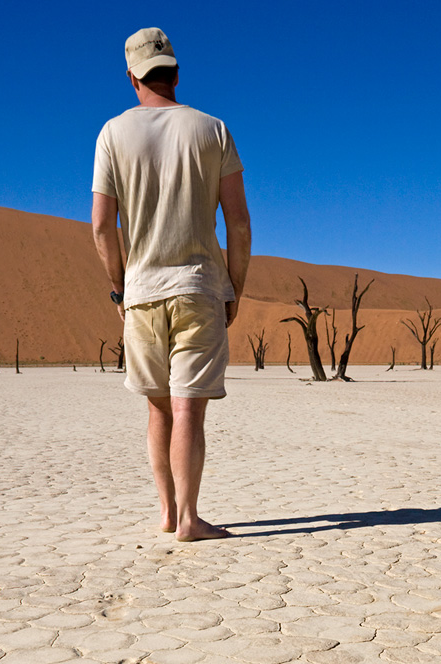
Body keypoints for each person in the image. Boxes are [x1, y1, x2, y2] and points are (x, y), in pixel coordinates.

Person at [91, 27, 251, 540]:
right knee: (189, 410)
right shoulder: (213, 130)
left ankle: (166, 512)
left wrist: (119, 288)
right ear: (176, 73)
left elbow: (100, 225)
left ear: (131, 76)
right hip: (199, 286)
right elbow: (239, 222)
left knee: (159, 407)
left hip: (141, 291)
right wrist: (235, 287)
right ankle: (188, 519)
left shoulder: (112, 133)